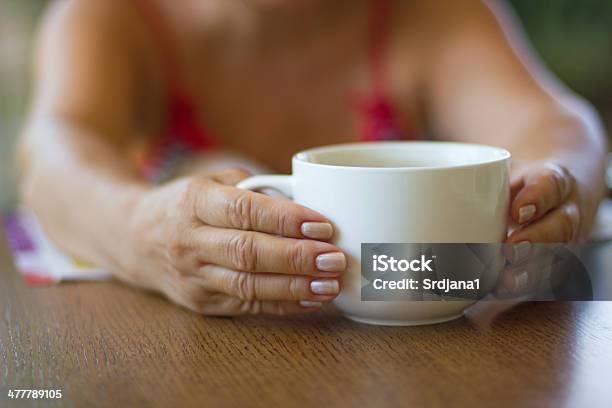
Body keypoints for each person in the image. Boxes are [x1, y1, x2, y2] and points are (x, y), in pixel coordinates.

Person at [18, 0, 606, 316]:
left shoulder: (430, 13)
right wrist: (139, 229)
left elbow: (555, 124)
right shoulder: (113, 18)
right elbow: (52, 156)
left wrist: (559, 186)